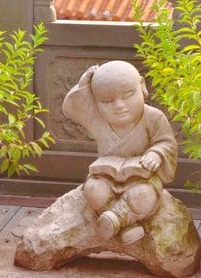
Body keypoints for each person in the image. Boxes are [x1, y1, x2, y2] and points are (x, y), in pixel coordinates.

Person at [62, 61, 177, 244]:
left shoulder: (153, 117)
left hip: (141, 178)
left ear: (142, 86)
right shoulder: (97, 119)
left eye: (128, 95)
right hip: (106, 177)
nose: (119, 105)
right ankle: (123, 223)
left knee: (143, 196)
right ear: (95, 100)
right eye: (107, 101)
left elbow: (166, 143)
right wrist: (85, 84)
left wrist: (156, 154)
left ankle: (112, 221)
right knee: (92, 189)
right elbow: (72, 107)